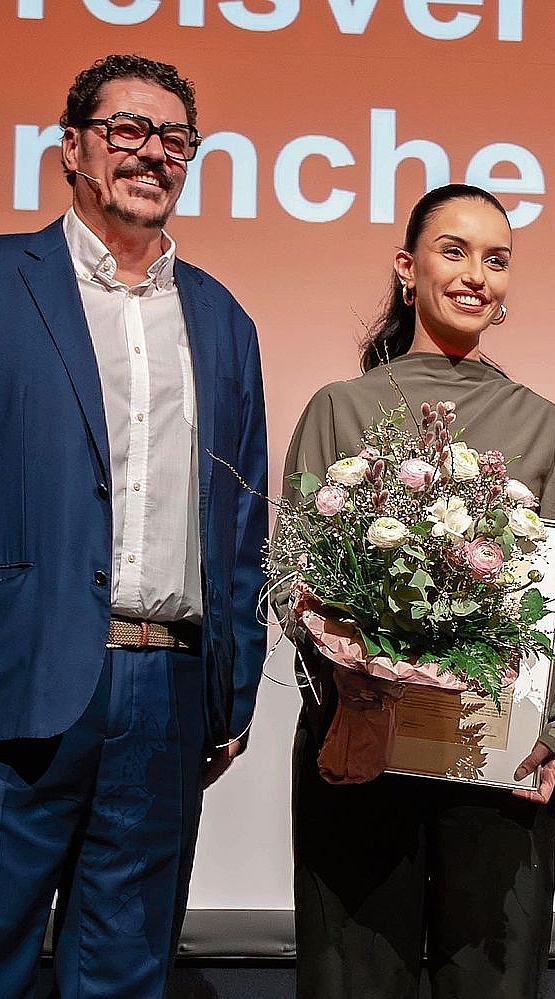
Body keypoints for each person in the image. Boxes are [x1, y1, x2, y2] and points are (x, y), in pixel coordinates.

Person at [281, 183, 555, 999]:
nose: (476, 275)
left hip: (495, 757)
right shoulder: (341, 410)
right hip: (363, 750)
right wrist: (353, 657)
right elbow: (294, 578)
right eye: (453, 251)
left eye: (496, 259)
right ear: (407, 269)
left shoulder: (541, 425)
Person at [0, 54, 268, 998]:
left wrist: (232, 689)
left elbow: (242, 521)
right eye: (126, 130)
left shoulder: (224, 320)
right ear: (70, 147)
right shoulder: (4, 282)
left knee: (120, 972)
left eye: (174, 139)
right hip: (20, 677)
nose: (151, 153)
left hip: (167, 688)